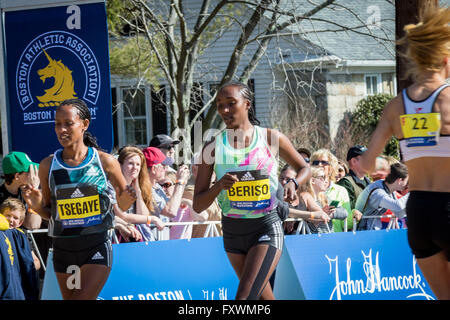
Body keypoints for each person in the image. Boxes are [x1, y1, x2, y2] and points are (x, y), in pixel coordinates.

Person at [359, 4, 450, 299]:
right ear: (446, 60)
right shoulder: (447, 99)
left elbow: (367, 163)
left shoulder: (396, 106)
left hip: (419, 212)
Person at [193, 81, 310, 300]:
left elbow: (304, 167)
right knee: (264, 299)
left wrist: (293, 183)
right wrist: (218, 186)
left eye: (231, 103)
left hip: (265, 226)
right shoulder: (212, 147)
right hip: (232, 231)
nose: (224, 110)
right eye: (220, 105)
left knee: (244, 299)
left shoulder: (270, 138)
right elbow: (198, 204)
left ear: (246, 104)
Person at [21, 98, 137, 300]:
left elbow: (124, 205)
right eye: (57, 124)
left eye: (68, 123)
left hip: (96, 248)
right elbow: (50, 214)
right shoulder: (49, 165)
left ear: (85, 124)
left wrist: (127, 199)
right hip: (64, 252)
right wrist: (37, 206)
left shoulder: (104, 161)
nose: (61, 129)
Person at [115, 146, 165, 242]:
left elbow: (143, 214)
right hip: (117, 237)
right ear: (120, 165)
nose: (135, 168)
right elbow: (122, 216)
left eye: (138, 164)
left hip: (132, 237)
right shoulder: (113, 186)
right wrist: (153, 219)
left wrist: (137, 190)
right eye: (130, 163)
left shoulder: (135, 187)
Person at [143, 146, 190, 240]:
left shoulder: (158, 188)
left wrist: (182, 181)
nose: (166, 169)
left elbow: (174, 205)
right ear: (153, 169)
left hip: (160, 241)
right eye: (163, 166)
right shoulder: (146, 189)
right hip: (150, 243)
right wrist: (180, 181)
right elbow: (171, 211)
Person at [310, 149, 360, 231]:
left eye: (324, 162)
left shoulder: (341, 191)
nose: (319, 165)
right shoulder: (307, 188)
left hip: (335, 237)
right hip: (312, 237)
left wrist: (354, 215)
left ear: (331, 167)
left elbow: (346, 222)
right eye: (315, 162)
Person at [355, 163, 409, 231]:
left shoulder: (388, 189)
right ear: (399, 180)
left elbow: (399, 213)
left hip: (372, 229)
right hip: (363, 231)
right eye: (407, 181)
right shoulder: (377, 192)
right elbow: (397, 206)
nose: (407, 185)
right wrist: (412, 193)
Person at [0, 151, 41, 230]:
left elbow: (33, 225)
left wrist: (34, 192)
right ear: (17, 176)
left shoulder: (26, 193)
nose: (33, 175)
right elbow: (32, 226)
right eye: (29, 171)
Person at [300, 166, 346, 233]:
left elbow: (344, 212)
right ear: (312, 180)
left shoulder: (324, 198)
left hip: (328, 237)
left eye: (326, 177)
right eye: (322, 177)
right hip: (313, 239)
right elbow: (306, 226)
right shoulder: (304, 198)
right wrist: (320, 214)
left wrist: (329, 213)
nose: (326, 181)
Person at [1, 197, 40, 271]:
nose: (11, 220)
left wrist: (25, 268)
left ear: (20, 223)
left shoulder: (22, 235)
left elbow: (36, 261)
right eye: (8, 215)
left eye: (15, 218)